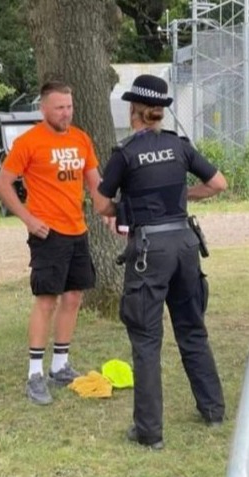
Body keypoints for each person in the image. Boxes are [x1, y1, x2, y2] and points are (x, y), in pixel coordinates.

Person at [93, 74, 226, 450]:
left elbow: (102, 204)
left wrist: (125, 209)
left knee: (147, 341)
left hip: (149, 251)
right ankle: (213, 410)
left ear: (134, 110)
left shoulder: (125, 154)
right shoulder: (179, 146)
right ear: (159, 111)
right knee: (192, 329)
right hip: (184, 243)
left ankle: (149, 433)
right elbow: (219, 184)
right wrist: (187, 196)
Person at [0, 80, 101, 405]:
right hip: (48, 235)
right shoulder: (29, 142)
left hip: (77, 231)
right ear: (43, 108)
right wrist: (29, 219)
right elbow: (2, 185)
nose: (66, 113)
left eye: (69, 107)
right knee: (46, 300)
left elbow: (95, 183)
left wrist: (108, 211)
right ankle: (35, 374)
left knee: (73, 296)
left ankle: (60, 365)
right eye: (59, 107)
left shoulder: (81, 138)